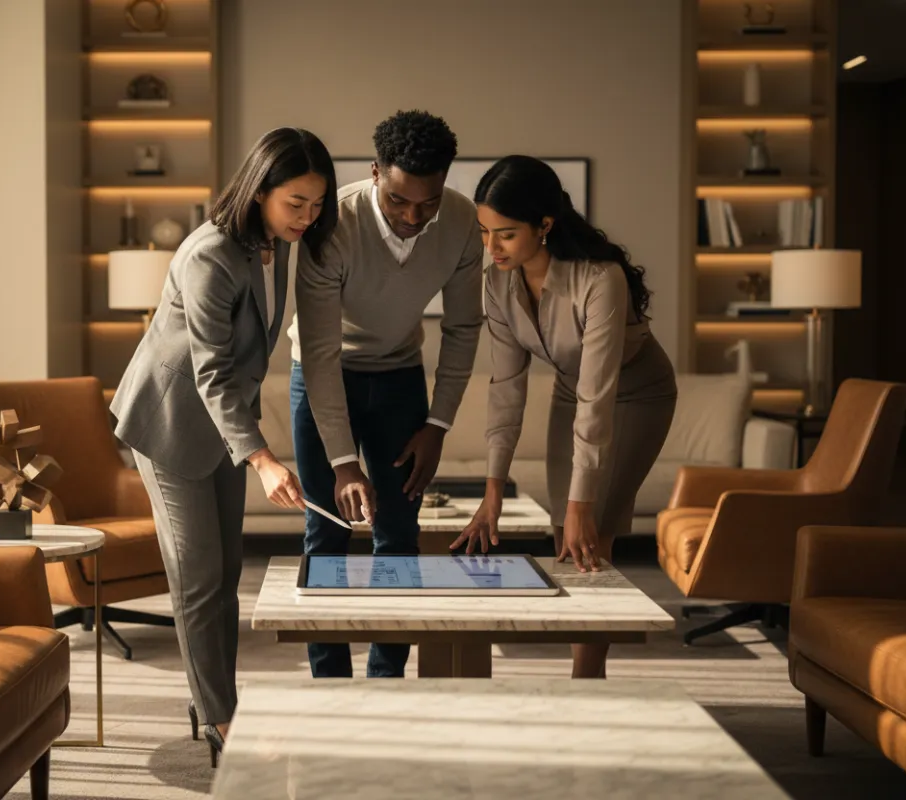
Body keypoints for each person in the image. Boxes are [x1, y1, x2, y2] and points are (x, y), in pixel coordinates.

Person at [110, 127, 337, 763]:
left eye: (317, 205)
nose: (308, 217)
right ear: (259, 189)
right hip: (170, 424)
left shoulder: (278, 244)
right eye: (296, 203)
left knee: (227, 573)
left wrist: (249, 448)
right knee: (199, 578)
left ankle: (215, 703)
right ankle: (219, 717)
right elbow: (210, 367)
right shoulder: (209, 253)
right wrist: (263, 457)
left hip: (222, 425)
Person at [452, 155, 677, 679]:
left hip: (637, 395)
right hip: (571, 390)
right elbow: (506, 390)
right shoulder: (498, 284)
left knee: (590, 533)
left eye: (505, 235)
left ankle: (586, 679)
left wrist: (583, 503)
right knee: (564, 533)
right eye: (484, 233)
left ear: (545, 225)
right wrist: (492, 494)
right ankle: (585, 666)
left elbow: (600, 398)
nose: (492, 248)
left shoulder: (602, 279)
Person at [290, 110, 484, 679]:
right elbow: (322, 352)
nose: (413, 216)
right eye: (399, 200)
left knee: (399, 532)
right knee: (326, 529)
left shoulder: (461, 221)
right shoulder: (334, 225)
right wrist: (344, 462)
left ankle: (385, 678)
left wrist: (439, 425)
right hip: (325, 376)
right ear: (376, 173)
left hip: (401, 378)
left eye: (428, 202)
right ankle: (330, 683)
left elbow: (463, 328)